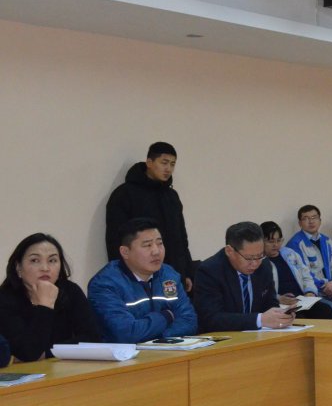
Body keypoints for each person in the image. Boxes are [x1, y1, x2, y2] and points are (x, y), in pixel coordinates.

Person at [89, 217, 197, 343]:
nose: (156, 251)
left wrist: (159, 337)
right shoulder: (105, 284)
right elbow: (127, 334)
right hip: (125, 355)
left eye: (160, 243)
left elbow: (190, 321)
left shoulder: (168, 275)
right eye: (147, 245)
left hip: (167, 350)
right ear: (125, 252)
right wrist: (166, 316)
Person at [105, 142, 194, 291]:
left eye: (172, 164)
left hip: (172, 276)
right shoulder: (124, 194)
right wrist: (123, 276)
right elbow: (115, 240)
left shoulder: (172, 197)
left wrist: (187, 272)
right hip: (138, 276)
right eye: (164, 162)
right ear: (149, 162)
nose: (168, 169)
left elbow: (181, 239)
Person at [0, 233, 102, 362]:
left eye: (52, 260)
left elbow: (92, 338)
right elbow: (28, 353)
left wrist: (47, 352)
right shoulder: (4, 299)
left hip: (63, 367)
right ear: (18, 268)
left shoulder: (70, 291)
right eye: (35, 260)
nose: (45, 268)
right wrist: (45, 306)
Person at [194, 222, 295, 332]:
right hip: (225, 338)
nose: (255, 263)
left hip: (258, 336)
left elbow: (270, 304)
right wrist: (259, 320)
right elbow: (211, 319)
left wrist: (280, 315)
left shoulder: (264, 265)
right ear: (229, 251)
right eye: (249, 258)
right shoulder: (210, 271)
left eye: (260, 255)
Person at [261, 221, 332, 319]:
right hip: (280, 304)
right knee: (299, 318)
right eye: (271, 241)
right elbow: (260, 290)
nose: (275, 245)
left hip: (301, 300)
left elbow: (306, 276)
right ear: (261, 241)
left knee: (327, 311)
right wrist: (278, 298)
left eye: (279, 240)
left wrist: (310, 292)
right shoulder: (259, 262)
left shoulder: (290, 254)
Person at [285, 205, 332, 318]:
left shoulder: (327, 241)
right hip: (311, 292)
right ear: (300, 223)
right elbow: (304, 274)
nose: (311, 221)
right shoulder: (295, 244)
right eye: (306, 218)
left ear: (320, 220)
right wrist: (329, 290)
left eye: (314, 217)